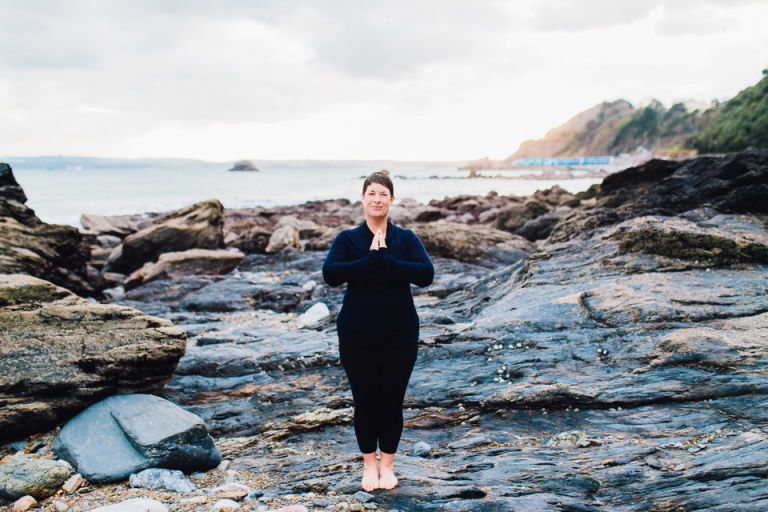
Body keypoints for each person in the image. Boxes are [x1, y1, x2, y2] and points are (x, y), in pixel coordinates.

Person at [322, 171, 434, 491]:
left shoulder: (406, 239)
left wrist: (389, 261)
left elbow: (426, 274)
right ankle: (369, 467)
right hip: (358, 336)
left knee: (391, 402)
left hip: (400, 336)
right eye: (371, 193)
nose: (377, 199)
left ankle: (388, 466)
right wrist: (370, 260)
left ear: (392, 200)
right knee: (366, 402)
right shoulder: (347, 239)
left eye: (383, 194)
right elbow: (331, 274)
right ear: (362, 198)